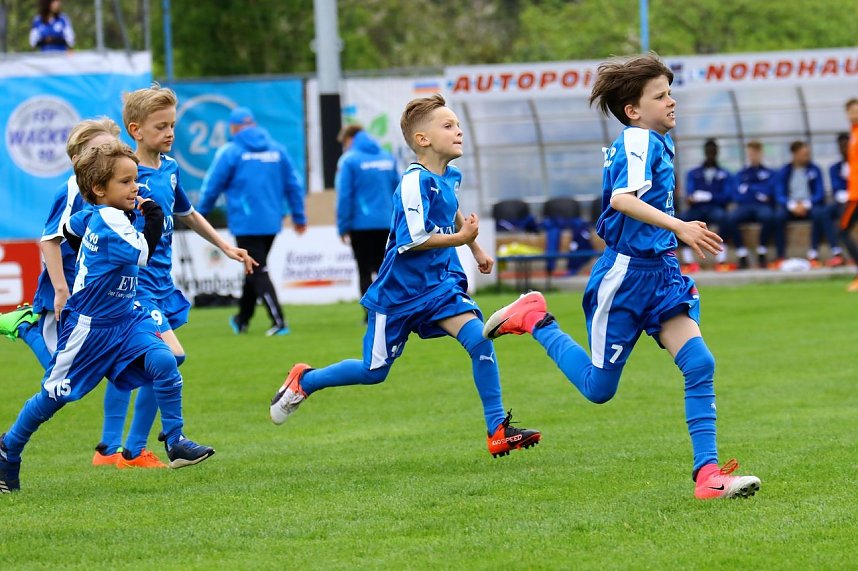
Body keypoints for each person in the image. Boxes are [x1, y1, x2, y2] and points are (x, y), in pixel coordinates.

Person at [483, 54, 760, 499]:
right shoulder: (637, 140)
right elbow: (622, 201)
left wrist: (674, 235)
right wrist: (681, 228)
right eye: (661, 95)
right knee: (598, 390)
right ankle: (534, 317)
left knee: (700, 363)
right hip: (626, 277)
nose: (671, 102)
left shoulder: (655, 142)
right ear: (633, 110)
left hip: (662, 274)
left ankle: (708, 476)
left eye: (670, 92)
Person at [268, 93, 541, 458]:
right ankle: (306, 379)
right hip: (399, 294)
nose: (459, 131)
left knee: (480, 341)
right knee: (373, 371)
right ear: (422, 140)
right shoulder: (413, 181)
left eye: (459, 124)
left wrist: (474, 249)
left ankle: (497, 430)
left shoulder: (449, 176)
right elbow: (412, 242)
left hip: (440, 286)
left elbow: (451, 206)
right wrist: (461, 239)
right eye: (449, 126)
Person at [0, 140, 214, 493]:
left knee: (165, 359)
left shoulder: (99, 214)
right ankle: (9, 447)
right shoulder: (111, 221)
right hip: (91, 326)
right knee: (56, 395)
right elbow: (143, 252)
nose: (136, 187)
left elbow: (73, 226)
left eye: (135, 180)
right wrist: (155, 216)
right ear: (99, 190)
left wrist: (80, 232)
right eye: (127, 182)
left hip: (127, 318)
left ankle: (175, 439)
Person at [91, 85, 256, 469]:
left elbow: (188, 212)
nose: (169, 133)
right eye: (161, 126)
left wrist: (225, 246)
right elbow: (97, 222)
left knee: (146, 363)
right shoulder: (123, 174)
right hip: (133, 284)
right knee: (169, 356)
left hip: (162, 283)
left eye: (172, 126)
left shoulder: (169, 168)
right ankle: (139, 445)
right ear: (135, 129)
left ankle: (119, 450)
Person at [0, 118, 118, 356]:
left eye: (111, 150)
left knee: (111, 364)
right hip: (67, 288)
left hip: (97, 290)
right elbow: (49, 240)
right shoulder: (73, 189)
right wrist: (61, 290)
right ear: (77, 161)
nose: (107, 156)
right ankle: (25, 325)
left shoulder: (116, 188)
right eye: (98, 151)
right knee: (64, 376)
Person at [198, 107, 305, 336]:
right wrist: (298, 215)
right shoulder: (277, 150)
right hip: (271, 221)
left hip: (245, 222)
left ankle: (279, 322)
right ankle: (242, 319)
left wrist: (200, 215)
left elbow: (212, 186)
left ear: (234, 128)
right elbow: (294, 185)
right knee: (253, 267)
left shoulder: (231, 151)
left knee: (257, 269)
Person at [335, 124, 399, 314]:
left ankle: (370, 313)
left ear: (349, 139)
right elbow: (398, 189)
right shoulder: (387, 157)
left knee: (364, 269)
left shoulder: (349, 160)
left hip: (360, 224)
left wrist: (343, 226)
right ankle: (389, 310)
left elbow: (344, 196)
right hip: (387, 222)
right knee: (384, 268)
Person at [775, 141, 842, 265]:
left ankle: (817, 252)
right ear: (794, 154)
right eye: (804, 154)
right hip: (791, 206)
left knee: (820, 214)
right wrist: (792, 205)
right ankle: (780, 256)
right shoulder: (785, 171)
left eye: (808, 154)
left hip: (810, 205)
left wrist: (806, 204)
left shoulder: (814, 169)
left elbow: (819, 192)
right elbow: (779, 193)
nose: (807, 157)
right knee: (778, 217)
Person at [679, 139, 733, 271]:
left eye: (713, 152)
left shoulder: (725, 173)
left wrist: (709, 197)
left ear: (716, 153)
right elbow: (690, 194)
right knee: (679, 220)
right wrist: (692, 198)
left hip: (715, 208)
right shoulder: (693, 173)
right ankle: (688, 260)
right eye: (708, 152)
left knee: (725, 218)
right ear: (705, 152)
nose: (710, 154)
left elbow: (727, 196)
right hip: (697, 209)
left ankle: (721, 259)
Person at [728, 141, 784, 269]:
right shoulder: (742, 174)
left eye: (755, 153)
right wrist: (757, 192)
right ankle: (741, 253)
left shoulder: (770, 173)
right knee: (730, 219)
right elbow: (736, 195)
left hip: (762, 207)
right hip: (745, 206)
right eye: (751, 153)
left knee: (769, 216)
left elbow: (770, 193)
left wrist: (749, 189)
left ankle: (762, 250)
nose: (753, 156)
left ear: (761, 153)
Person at [837, 99, 858, 291]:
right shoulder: (853, 134)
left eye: (855, 111)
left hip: (856, 194)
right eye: (850, 112)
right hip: (852, 191)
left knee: (842, 230)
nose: (853, 114)